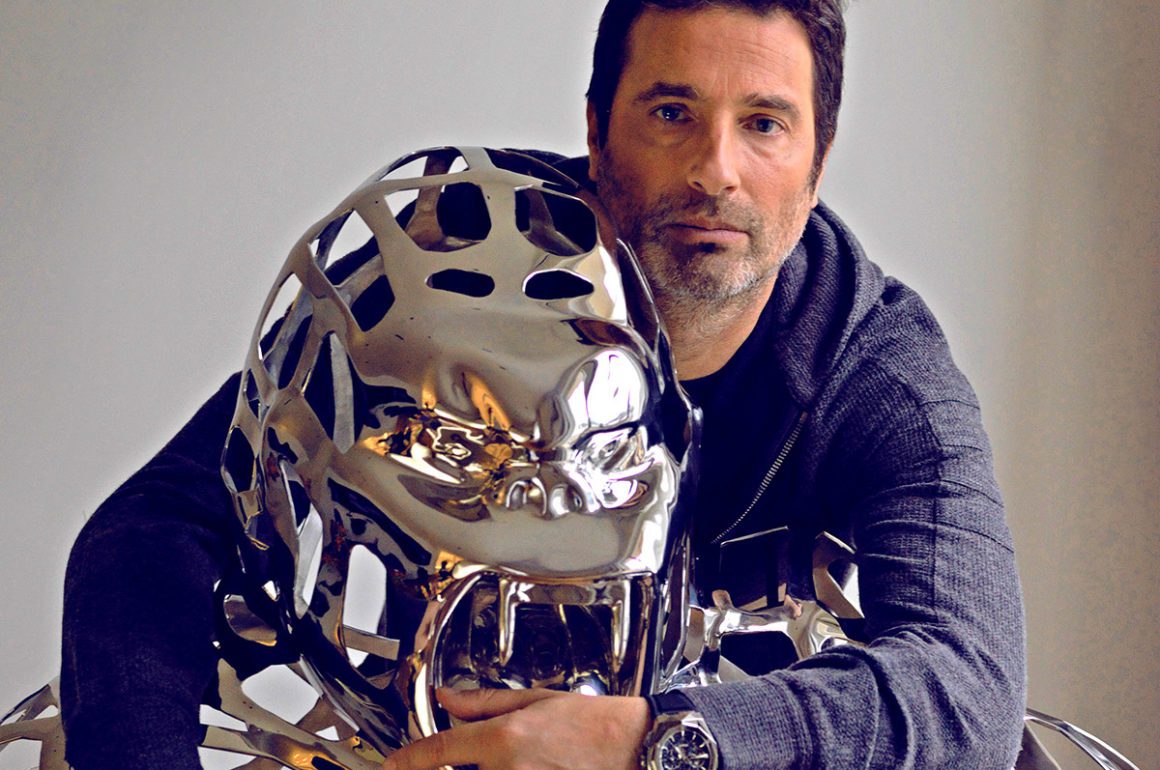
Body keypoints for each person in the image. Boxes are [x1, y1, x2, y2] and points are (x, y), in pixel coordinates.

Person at [60, 1, 1027, 768]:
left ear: (816, 166)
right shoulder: (459, 269)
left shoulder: (876, 373)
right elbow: (159, 524)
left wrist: (651, 742)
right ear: (598, 133)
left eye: (764, 124)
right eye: (672, 113)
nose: (715, 171)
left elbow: (969, 686)